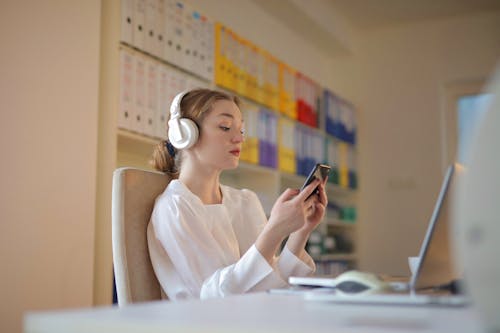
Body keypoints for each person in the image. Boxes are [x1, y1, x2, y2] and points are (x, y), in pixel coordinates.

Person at [147, 88, 328, 301]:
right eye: (225, 127)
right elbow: (215, 300)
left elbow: (270, 285)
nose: (239, 139)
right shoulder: (175, 207)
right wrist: (275, 231)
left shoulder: (245, 201)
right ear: (184, 134)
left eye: (241, 130)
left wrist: (301, 230)